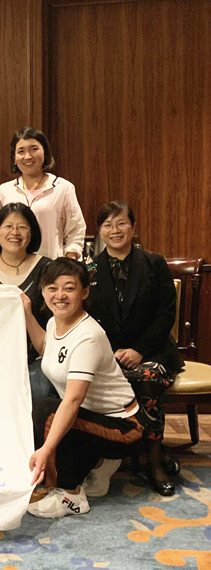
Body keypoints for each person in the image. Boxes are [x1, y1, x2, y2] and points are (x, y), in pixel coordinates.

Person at [23, 258, 144, 518]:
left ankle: (72, 496)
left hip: (125, 427)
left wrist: (45, 450)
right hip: (94, 417)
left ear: (85, 292)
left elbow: (74, 400)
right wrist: (27, 314)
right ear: (43, 291)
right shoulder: (55, 322)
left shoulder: (88, 335)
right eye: (52, 288)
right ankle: (98, 463)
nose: (60, 295)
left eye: (69, 288)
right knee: (50, 409)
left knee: (48, 410)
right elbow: (47, 350)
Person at [87, 201, 184, 496]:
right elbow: (87, 318)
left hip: (153, 350)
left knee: (145, 377)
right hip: (110, 353)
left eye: (121, 223)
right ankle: (124, 449)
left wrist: (139, 350)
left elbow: (166, 315)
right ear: (99, 231)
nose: (115, 230)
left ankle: (153, 460)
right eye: (107, 225)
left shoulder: (154, 264)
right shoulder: (90, 270)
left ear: (133, 227)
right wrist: (113, 351)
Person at [0, 204, 53, 400]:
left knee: (39, 392)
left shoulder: (46, 267)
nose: (15, 233)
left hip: (35, 359)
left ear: (32, 233)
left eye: (22, 227)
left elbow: (56, 323)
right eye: (8, 226)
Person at [0, 127, 86, 259]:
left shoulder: (63, 188)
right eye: (21, 151)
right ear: (14, 158)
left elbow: (76, 230)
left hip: (51, 265)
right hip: (13, 265)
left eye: (34, 149)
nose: (28, 156)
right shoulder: (4, 191)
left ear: (45, 153)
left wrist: (69, 261)